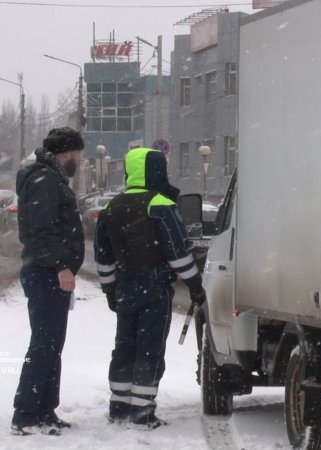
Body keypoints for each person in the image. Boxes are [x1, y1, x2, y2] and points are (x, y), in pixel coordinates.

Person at [94, 140, 207, 429]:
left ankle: (119, 405)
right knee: (150, 347)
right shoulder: (161, 205)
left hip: (125, 288)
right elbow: (178, 252)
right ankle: (143, 411)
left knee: (124, 346)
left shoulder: (110, 207)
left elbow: (103, 256)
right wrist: (194, 284)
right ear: (154, 171)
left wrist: (109, 289)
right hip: (154, 288)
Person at [11, 127, 85, 436]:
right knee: (43, 344)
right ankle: (25, 413)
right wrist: (61, 267)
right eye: (77, 155)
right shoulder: (44, 180)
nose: (78, 161)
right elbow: (42, 231)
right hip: (46, 273)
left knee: (52, 343)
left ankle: (44, 410)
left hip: (49, 273)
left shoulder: (50, 179)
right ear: (66, 153)